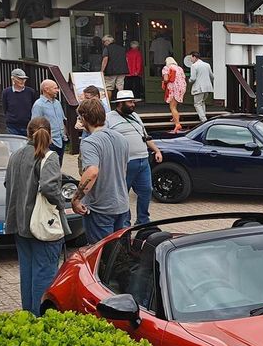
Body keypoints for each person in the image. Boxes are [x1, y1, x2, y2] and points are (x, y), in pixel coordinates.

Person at [4, 117, 70, 315]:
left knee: (28, 272)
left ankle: (28, 315)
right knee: (45, 273)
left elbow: (8, 185)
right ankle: (41, 317)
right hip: (43, 224)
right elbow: (50, 187)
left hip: (20, 223)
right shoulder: (48, 157)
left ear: (27, 132)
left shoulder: (15, 155)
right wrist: (60, 203)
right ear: (50, 134)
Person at [71, 98, 131, 243]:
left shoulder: (89, 142)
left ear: (84, 118)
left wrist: (76, 199)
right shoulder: (121, 138)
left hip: (101, 208)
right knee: (119, 254)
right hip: (122, 205)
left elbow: (92, 172)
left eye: (80, 117)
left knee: (100, 255)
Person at [107, 90, 163, 226]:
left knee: (146, 190)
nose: (133, 105)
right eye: (130, 102)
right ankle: (125, 222)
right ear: (120, 103)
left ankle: (143, 220)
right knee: (123, 193)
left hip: (143, 160)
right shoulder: (109, 118)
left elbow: (145, 136)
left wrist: (156, 150)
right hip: (124, 163)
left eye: (133, 102)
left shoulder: (136, 116)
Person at [31, 79, 68, 162]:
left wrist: (64, 135)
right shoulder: (38, 105)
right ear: (46, 89)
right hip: (49, 143)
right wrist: (45, 140)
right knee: (49, 166)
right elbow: (35, 125)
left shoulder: (57, 103)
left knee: (58, 165)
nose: (57, 91)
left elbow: (62, 120)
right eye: (55, 88)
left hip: (61, 140)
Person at [2, 69, 38, 136]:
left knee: (27, 146)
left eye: (24, 79)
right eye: (20, 79)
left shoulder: (31, 92)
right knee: (13, 145)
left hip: (27, 125)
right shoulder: (6, 92)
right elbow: (5, 108)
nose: (23, 81)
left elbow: (34, 107)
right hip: (12, 126)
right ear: (13, 79)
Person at [100, 35, 129, 103]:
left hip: (111, 71)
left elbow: (105, 60)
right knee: (120, 87)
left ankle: (108, 104)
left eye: (104, 42)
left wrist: (102, 70)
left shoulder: (107, 49)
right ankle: (121, 103)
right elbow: (126, 59)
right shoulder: (122, 48)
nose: (103, 43)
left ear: (108, 41)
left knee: (109, 87)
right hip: (122, 70)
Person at [187, 51, 214, 123]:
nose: (190, 60)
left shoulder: (194, 66)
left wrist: (188, 81)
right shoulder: (207, 65)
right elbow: (212, 76)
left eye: (191, 58)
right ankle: (203, 117)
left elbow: (193, 78)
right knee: (202, 102)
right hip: (207, 87)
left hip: (199, 88)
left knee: (197, 104)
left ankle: (203, 119)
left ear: (194, 57)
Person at [162, 56, 187, 133]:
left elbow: (166, 79)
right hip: (182, 87)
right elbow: (184, 77)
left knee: (172, 107)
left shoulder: (166, 68)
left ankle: (177, 124)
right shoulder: (179, 68)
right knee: (175, 104)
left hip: (173, 88)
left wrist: (163, 82)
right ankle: (174, 117)